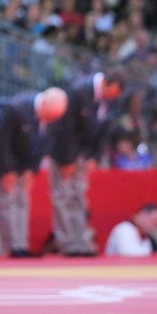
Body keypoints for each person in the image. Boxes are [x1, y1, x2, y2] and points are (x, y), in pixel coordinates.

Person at [47, 69, 125, 256]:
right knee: (62, 197)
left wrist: (94, 157)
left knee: (79, 197)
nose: (111, 98)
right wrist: (68, 159)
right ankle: (66, 243)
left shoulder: (113, 98)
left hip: (85, 153)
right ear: (105, 84)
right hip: (65, 152)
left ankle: (80, 241)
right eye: (110, 93)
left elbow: (105, 130)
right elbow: (65, 127)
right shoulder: (79, 90)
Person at [0, 87, 68, 258]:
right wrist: (7, 171)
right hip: (5, 163)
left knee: (22, 204)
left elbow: (44, 143)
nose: (49, 120)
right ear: (44, 103)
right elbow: (1, 142)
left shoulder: (52, 116)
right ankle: (7, 247)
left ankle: (20, 246)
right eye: (48, 116)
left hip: (26, 163)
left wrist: (32, 169)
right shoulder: (16, 108)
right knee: (7, 204)